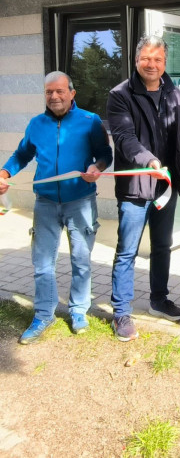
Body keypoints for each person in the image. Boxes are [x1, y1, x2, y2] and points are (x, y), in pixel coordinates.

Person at [0, 72, 112, 343]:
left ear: (72, 93)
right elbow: (22, 154)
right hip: (46, 204)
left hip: (81, 202)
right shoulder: (36, 124)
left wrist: (96, 168)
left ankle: (78, 311)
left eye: (60, 91)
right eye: (49, 92)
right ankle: (43, 314)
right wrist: (4, 174)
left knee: (81, 261)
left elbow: (105, 154)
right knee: (42, 264)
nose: (54, 96)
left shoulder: (90, 121)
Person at [106, 35, 180, 342]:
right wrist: (149, 160)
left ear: (165, 63)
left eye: (158, 59)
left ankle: (159, 300)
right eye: (146, 58)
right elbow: (124, 137)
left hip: (165, 187)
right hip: (134, 185)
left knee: (162, 246)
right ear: (136, 60)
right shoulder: (120, 95)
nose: (152, 64)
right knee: (127, 250)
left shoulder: (173, 91)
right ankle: (121, 312)